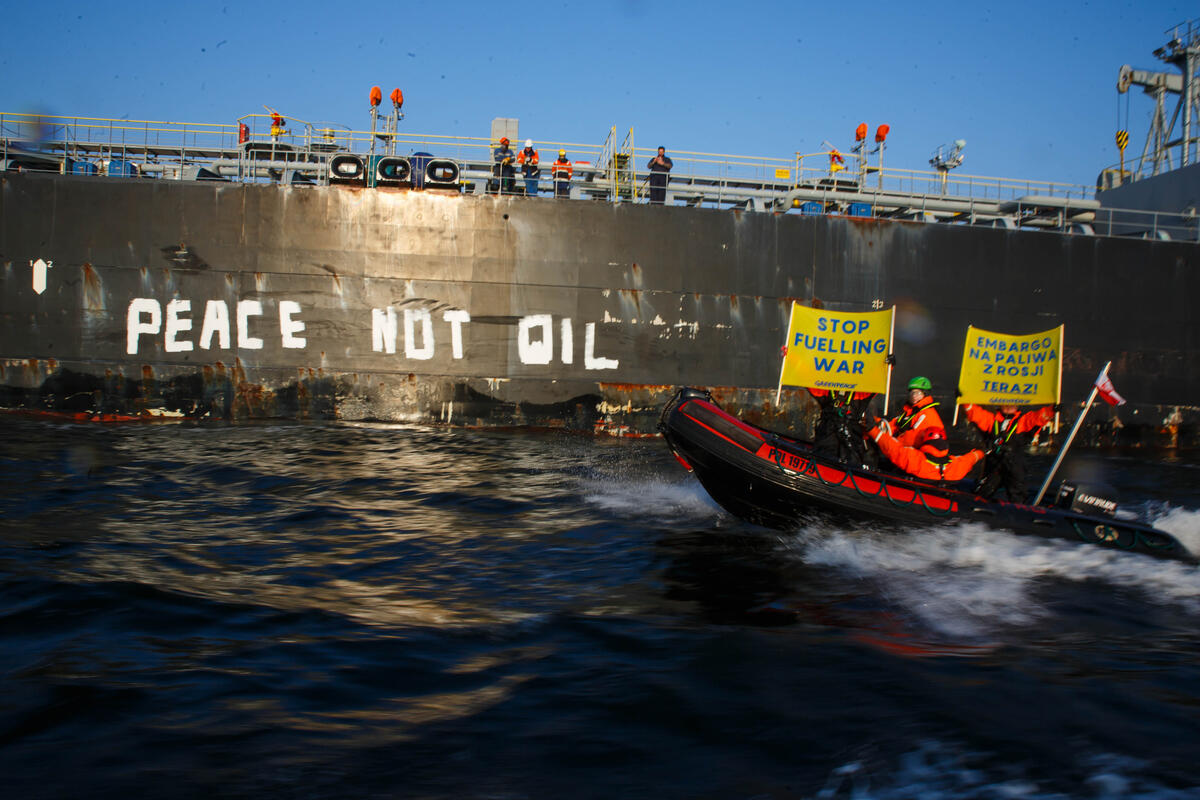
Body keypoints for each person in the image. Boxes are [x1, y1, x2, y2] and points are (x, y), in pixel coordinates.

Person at [961, 401, 1056, 503]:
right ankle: (979, 505)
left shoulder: (1022, 421)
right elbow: (975, 414)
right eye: (1006, 404)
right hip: (994, 462)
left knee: (1017, 490)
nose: (1009, 406)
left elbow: (1037, 418)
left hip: (1014, 462)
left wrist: (1052, 410)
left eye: (1013, 404)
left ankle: (1019, 510)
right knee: (985, 489)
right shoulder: (992, 419)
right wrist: (965, 400)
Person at [868, 421, 984, 482]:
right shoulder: (956, 463)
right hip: (941, 497)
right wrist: (981, 452)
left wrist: (873, 431)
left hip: (917, 493)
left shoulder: (917, 459)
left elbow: (893, 449)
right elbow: (971, 458)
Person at [809, 387, 876, 468]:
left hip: (851, 441)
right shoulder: (825, 388)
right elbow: (809, 382)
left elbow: (876, 385)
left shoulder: (862, 393)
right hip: (827, 436)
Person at [888, 376, 945, 448]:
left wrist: (891, 441)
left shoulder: (927, 414)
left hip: (919, 454)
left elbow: (912, 439)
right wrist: (876, 426)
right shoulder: (911, 412)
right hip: (907, 450)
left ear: (925, 394)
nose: (914, 396)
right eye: (912, 393)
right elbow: (894, 424)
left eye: (918, 393)